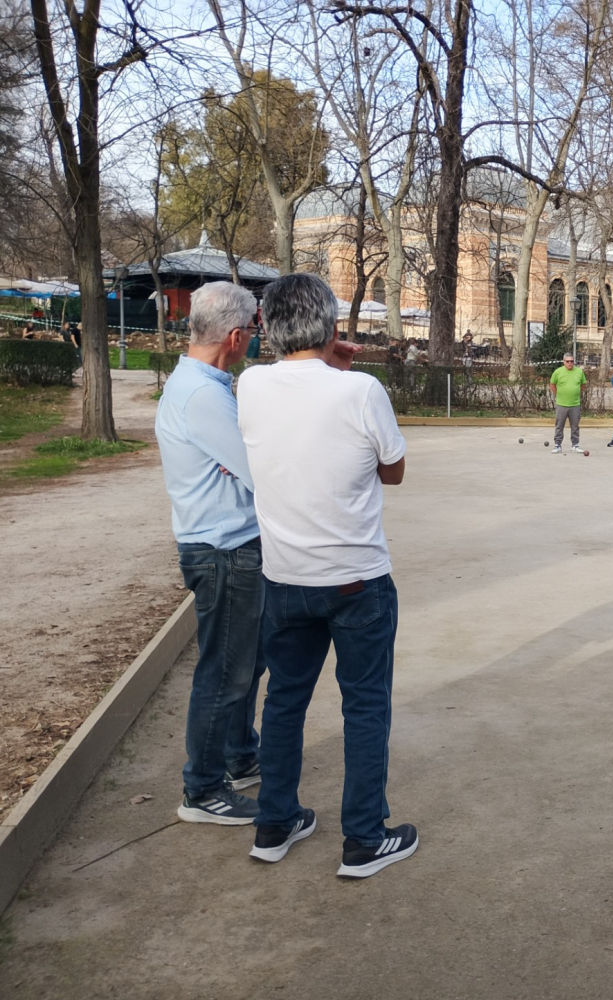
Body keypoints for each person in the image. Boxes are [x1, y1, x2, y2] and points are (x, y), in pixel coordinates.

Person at [236, 272, 416, 878]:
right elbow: (392, 472)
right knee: (365, 707)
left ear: (266, 326)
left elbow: (281, 375)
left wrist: (319, 357)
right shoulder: (361, 390)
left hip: (284, 577)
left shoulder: (250, 386)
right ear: (333, 326)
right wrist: (338, 367)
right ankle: (363, 838)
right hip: (355, 577)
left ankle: (274, 821)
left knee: (285, 701)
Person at [155, 281, 265, 826]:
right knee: (225, 672)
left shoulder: (202, 384)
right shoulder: (203, 396)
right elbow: (260, 471)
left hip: (227, 545)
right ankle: (202, 789)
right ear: (237, 336)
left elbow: (243, 463)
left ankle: (240, 753)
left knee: (246, 661)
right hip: (224, 550)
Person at [548, 353, 586, 454]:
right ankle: (558, 445)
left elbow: (583, 385)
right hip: (561, 404)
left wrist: (575, 393)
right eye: (567, 361)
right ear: (563, 362)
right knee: (559, 425)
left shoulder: (579, 372)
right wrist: (558, 394)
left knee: (575, 426)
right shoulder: (558, 372)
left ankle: (575, 445)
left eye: (572, 361)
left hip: (575, 404)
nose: (570, 363)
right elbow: (552, 384)